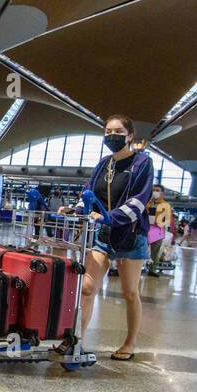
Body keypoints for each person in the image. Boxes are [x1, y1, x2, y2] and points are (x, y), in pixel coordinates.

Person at [68, 114, 153, 361]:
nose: (111, 136)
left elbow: (139, 199)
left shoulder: (142, 163)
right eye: (108, 131)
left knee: (129, 291)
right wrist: (75, 209)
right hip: (104, 236)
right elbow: (88, 193)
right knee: (87, 286)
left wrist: (109, 217)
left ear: (129, 136)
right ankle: (78, 339)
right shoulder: (104, 164)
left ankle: (130, 342)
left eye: (117, 132)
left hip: (131, 235)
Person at [146, 184, 173, 276]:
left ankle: (152, 270)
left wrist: (161, 223)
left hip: (158, 231)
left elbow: (168, 220)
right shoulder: (147, 203)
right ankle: (139, 267)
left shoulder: (166, 205)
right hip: (146, 229)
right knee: (141, 249)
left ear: (162, 192)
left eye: (157, 190)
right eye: (154, 190)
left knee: (156, 252)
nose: (155, 192)